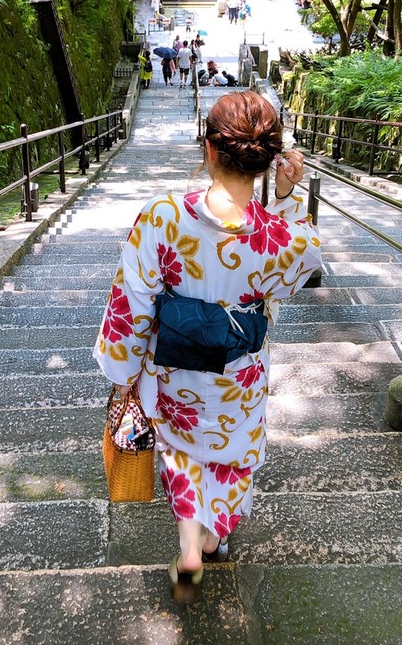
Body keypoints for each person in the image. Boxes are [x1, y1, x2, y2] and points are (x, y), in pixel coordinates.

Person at [93, 92, 321, 602]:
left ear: (210, 150)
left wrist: (124, 376)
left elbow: (133, 305)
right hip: (239, 376)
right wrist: (284, 196)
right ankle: (216, 534)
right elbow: (302, 266)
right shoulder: (283, 238)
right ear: (266, 159)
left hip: (174, 373)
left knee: (180, 455)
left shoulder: (163, 218)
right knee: (234, 459)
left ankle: (189, 548)